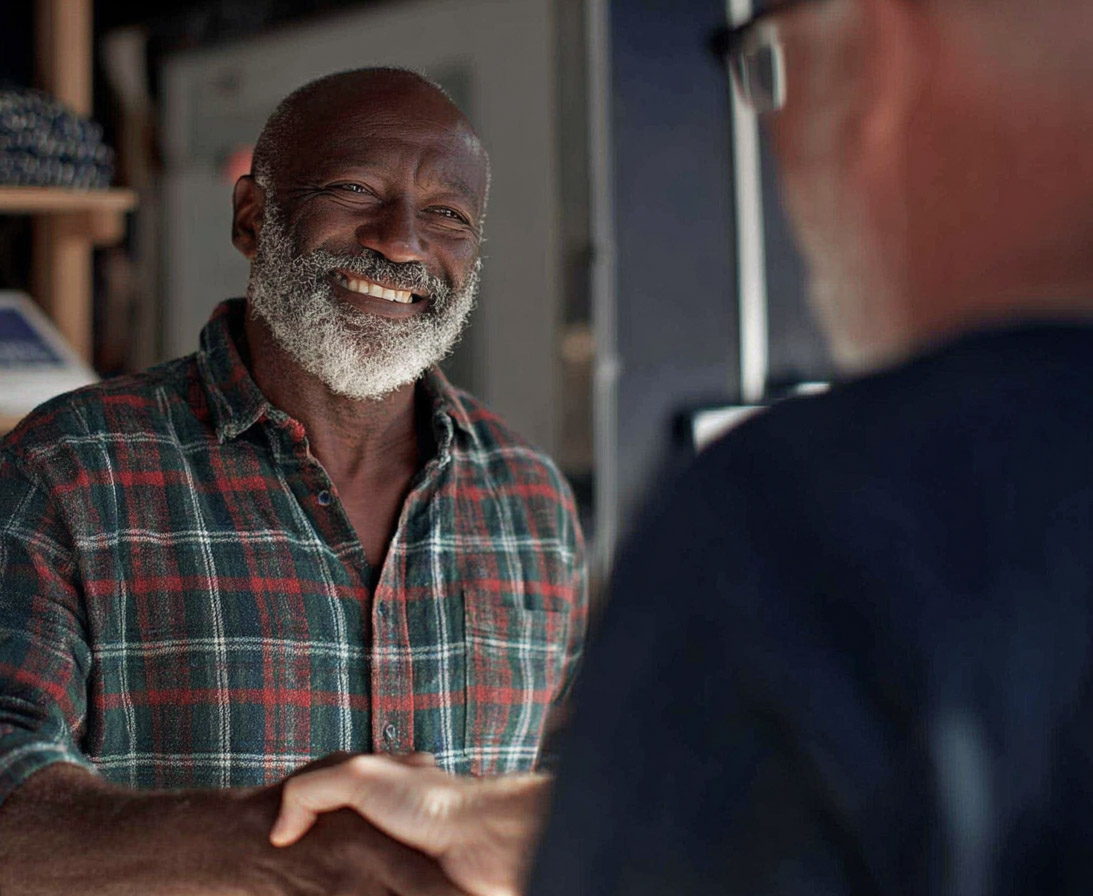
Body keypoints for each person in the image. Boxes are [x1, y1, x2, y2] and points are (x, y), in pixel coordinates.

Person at [268, 0, 1093, 894]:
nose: (402, 240)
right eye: (352, 190)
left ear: (871, 57)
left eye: (769, 64)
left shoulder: (809, 522)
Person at [0, 67, 587, 894]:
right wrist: (282, 850)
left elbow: (580, 787)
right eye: (355, 189)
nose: (401, 240)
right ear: (252, 216)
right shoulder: (70, 468)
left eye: (447, 216)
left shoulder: (530, 500)